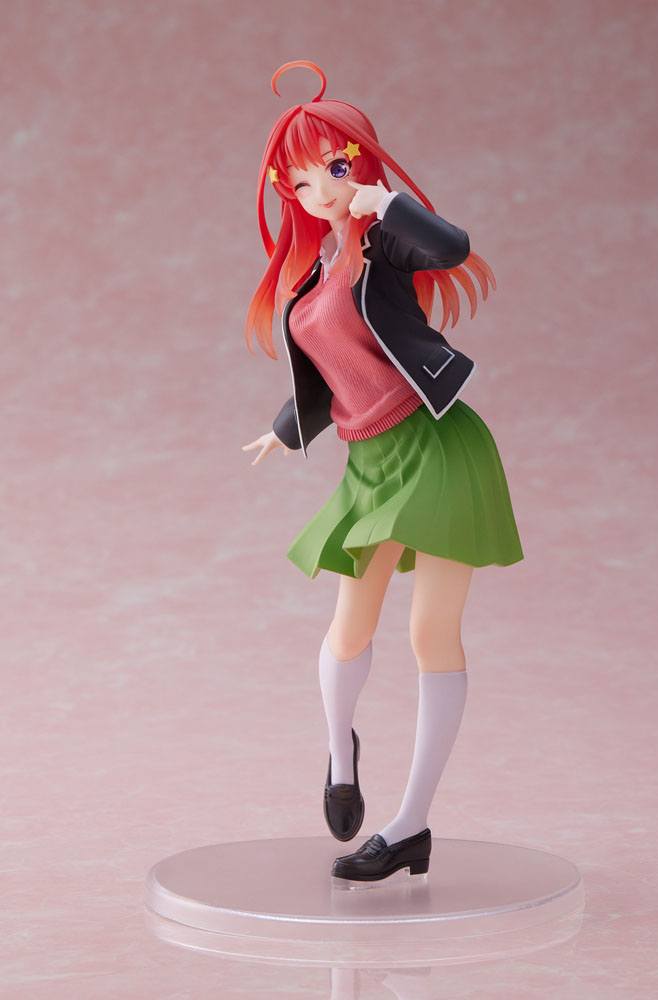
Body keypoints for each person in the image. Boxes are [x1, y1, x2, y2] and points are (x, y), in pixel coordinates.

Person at [242, 59, 524, 883]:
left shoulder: (385, 243)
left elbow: (453, 245)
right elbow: (331, 370)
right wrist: (284, 431)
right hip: (368, 461)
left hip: (436, 448)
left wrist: (384, 201)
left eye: (333, 169)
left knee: (430, 632)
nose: (320, 191)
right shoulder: (313, 275)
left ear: (360, 162)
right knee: (348, 628)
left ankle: (409, 827)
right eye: (300, 181)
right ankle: (340, 756)